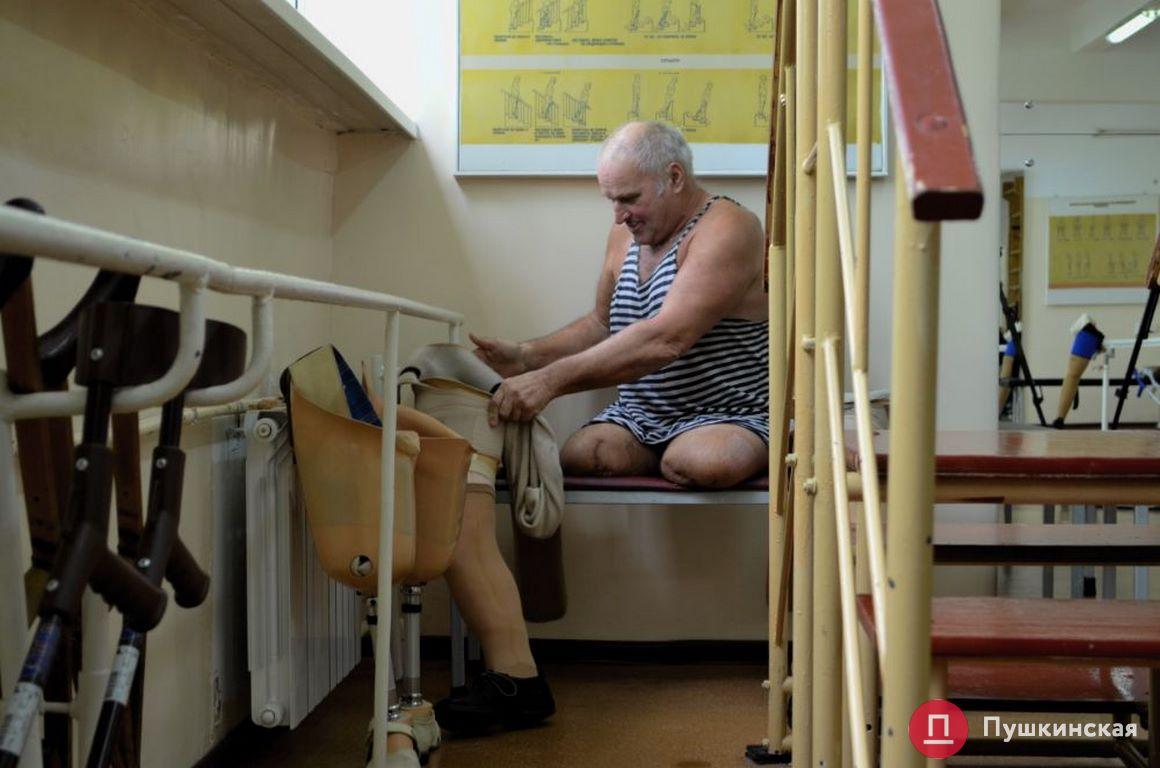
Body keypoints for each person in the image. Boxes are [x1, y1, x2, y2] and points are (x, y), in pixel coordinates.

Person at [474, 120, 769, 488]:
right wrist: (526, 357)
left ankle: (735, 443)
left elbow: (667, 338)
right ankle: (664, 449)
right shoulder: (624, 234)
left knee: (700, 461)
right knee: (583, 455)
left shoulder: (729, 228)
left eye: (629, 199)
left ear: (675, 178)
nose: (618, 215)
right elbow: (602, 324)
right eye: (612, 200)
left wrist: (550, 381)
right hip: (640, 418)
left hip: (729, 414)